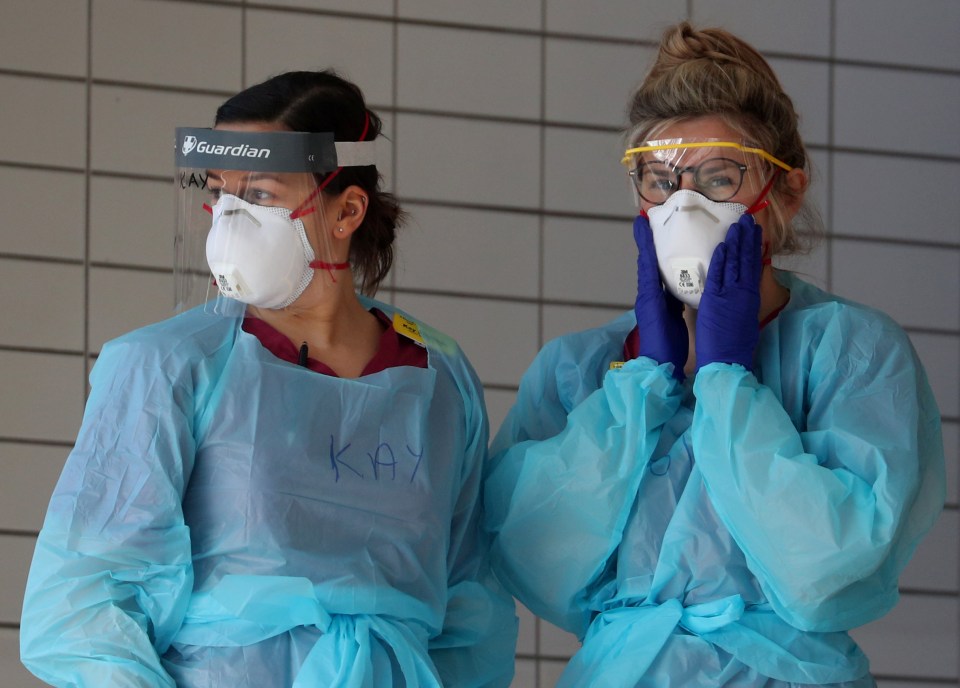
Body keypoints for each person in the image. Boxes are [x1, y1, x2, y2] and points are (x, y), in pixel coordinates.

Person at [483, 22, 944, 687]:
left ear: (786, 192)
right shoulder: (583, 369)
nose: (683, 207)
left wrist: (728, 381)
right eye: (660, 180)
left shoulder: (853, 354)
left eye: (720, 179)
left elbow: (828, 565)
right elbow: (533, 558)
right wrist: (641, 384)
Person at [21, 70, 517, 688]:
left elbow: (469, 607)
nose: (228, 220)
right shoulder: (169, 366)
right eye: (221, 193)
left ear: (348, 211)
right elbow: (85, 605)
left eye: (258, 196)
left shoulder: (439, 377)